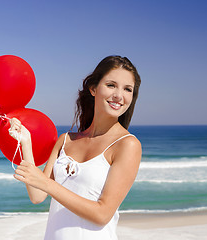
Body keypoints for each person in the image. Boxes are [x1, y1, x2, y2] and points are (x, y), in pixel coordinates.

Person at [9, 55, 142, 239]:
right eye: (111, 85)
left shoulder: (127, 145)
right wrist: (26, 142)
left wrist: (47, 183)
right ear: (93, 88)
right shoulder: (65, 140)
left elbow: (102, 214)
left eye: (127, 89)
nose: (119, 95)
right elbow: (37, 195)